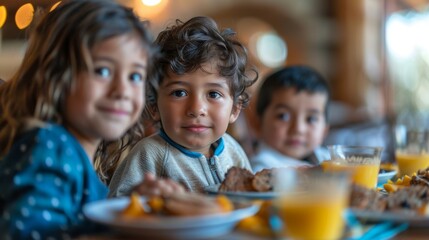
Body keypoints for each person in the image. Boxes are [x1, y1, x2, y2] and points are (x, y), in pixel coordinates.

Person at [0, 1, 183, 238]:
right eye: (103, 71)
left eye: (135, 75)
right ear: (55, 75)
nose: (122, 91)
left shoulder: (73, 154)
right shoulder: (51, 147)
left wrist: (130, 211)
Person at [109, 16, 258, 196]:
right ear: (154, 105)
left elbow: (253, 200)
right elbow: (116, 210)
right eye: (179, 93)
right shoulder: (148, 155)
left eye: (213, 94)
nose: (196, 109)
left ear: (235, 109)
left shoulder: (233, 151)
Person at [250, 65, 330, 173]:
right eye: (283, 116)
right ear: (258, 123)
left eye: (311, 119)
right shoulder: (261, 169)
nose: (298, 129)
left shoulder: (329, 159)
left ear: (324, 130)